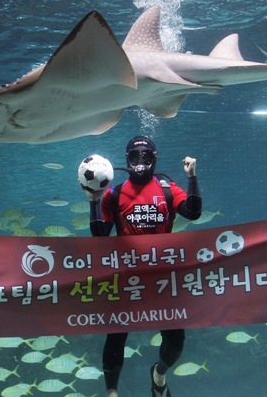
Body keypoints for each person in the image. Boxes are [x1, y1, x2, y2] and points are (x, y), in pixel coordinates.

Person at [84, 136, 202, 397]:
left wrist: (192, 176)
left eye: (146, 156)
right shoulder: (114, 194)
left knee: (175, 341)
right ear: (126, 159)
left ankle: (159, 374)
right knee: (116, 335)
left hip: (163, 279)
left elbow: (193, 213)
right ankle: (112, 392)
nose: (140, 161)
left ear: (154, 159)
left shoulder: (168, 189)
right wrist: (94, 200)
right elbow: (100, 235)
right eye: (134, 156)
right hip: (127, 279)